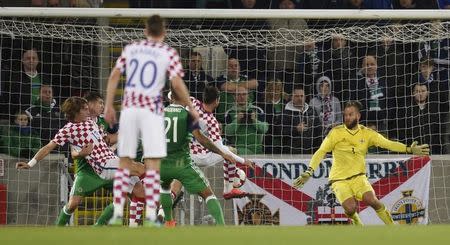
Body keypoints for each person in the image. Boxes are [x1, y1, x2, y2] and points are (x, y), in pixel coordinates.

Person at [104, 15, 199, 226]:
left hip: (129, 109)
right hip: (151, 111)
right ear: (163, 31)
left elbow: (114, 76)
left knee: (125, 161)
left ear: (145, 30)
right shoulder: (168, 52)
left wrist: (109, 105)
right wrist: (191, 107)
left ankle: (118, 214)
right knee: (153, 164)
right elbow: (177, 83)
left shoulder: (132, 48)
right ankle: (149, 218)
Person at [293, 101, 430, 225]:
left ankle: (392, 229)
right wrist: (309, 171)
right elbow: (321, 151)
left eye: (350, 114)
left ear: (358, 116)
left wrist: (408, 149)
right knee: (350, 208)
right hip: (339, 180)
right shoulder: (336, 132)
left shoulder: (367, 133)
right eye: (345, 114)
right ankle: (358, 224)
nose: (347, 117)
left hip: (359, 177)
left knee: (373, 201)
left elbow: (388, 144)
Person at [15, 97, 146, 226]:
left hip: (113, 160)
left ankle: (132, 226)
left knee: (139, 190)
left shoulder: (91, 121)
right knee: (140, 169)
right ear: (75, 113)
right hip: (103, 165)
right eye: (84, 109)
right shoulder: (68, 130)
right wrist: (30, 163)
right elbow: (49, 147)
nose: (87, 110)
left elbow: (106, 139)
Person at [159, 91, 238, 227]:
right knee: (208, 194)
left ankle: (168, 221)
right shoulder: (187, 115)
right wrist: (222, 153)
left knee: (165, 188)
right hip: (182, 164)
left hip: (162, 163)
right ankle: (222, 227)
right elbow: (202, 139)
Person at [190, 86, 255, 199]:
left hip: (185, 152)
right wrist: (244, 161)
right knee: (230, 151)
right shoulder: (211, 121)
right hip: (201, 157)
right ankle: (228, 190)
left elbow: (173, 96)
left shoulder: (192, 102)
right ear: (216, 101)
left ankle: (234, 173)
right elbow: (221, 150)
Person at [281, 85, 321, 154]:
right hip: (291, 153)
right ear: (292, 98)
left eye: (302, 96)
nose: (300, 98)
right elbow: (279, 131)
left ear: (305, 97)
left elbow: (318, 130)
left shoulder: (312, 110)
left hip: (311, 151)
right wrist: (295, 129)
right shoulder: (285, 113)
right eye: (297, 96)